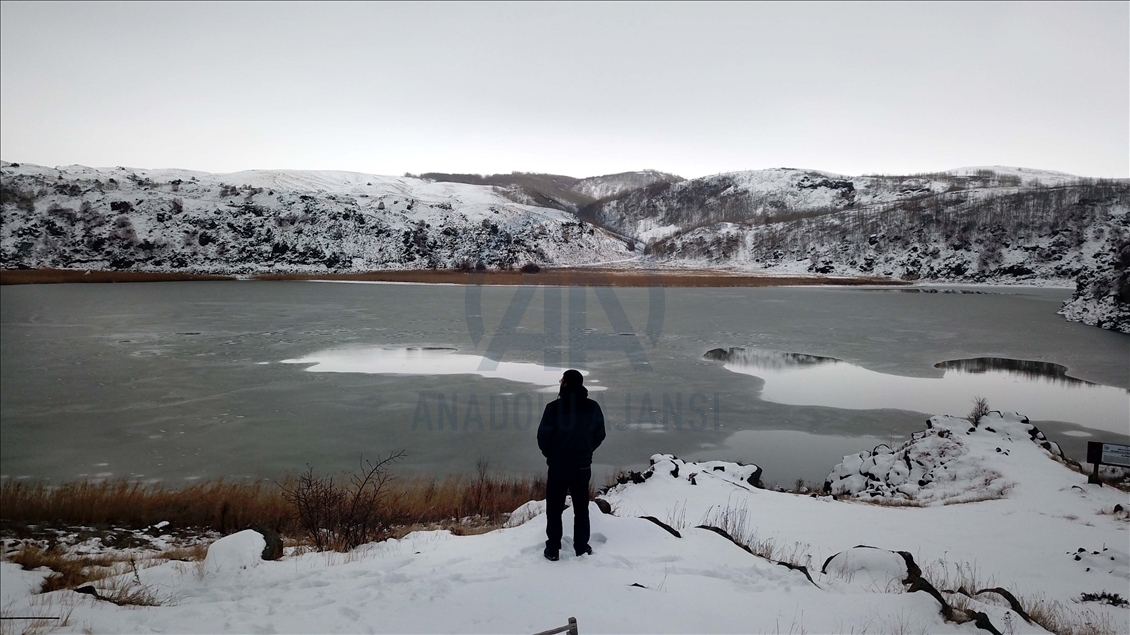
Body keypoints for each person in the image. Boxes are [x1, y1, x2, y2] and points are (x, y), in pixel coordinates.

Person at [537, 369, 606, 561]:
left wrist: (552, 455)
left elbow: (543, 437)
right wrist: (587, 451)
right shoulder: (592, 407)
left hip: (558, 466)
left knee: (554, 507)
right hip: (582, 466)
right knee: (581, 508)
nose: (560, 383)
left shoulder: (553, 408)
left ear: (565, 384)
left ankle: (552, 549)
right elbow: (600, 434)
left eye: (562, 380)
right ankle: (581, 547)